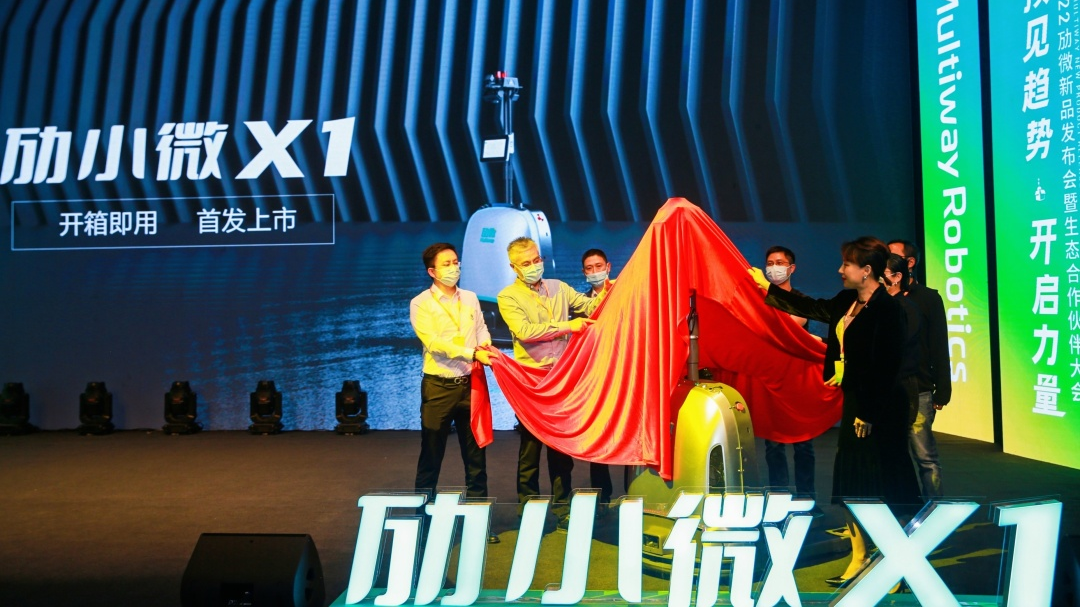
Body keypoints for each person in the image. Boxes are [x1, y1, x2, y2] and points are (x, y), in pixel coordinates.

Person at [749, 236, 921, 586]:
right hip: (856, 401)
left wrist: (868, 413)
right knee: (851, 483)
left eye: (847, 264)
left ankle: (897, 560)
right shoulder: (847, 300)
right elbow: (814, 308)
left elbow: (887, 367)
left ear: (866, 270)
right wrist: (767, 287)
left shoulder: (888, 310)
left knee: (881, 484)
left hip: (881, 409)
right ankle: (859, 557)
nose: (840, 270)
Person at [498, 237, 603, 530]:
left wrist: (609, 289)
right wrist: (567, 326)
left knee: (561, 449)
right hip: (531, 380)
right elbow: (525, 331)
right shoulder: (508, 297)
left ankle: (563, 506)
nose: (534, 266)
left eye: (537, 260)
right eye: (526, 263)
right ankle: (528, 508)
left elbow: (590, 307)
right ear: (514, 267)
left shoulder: (559, 287)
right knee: (530, 449)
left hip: (561, 377)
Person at [409, 242, 500, 544]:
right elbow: (434, 344)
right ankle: (421, 523)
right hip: (439, 387)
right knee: (431, 456)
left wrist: (485, 344)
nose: (454, 268)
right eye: (446, 264)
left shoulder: (470, 297)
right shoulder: (421, 303)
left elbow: (482, 328)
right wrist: (472, 353)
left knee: (476, 458)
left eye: (456, 262)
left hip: (470, 385)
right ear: (432, 271)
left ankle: (479, 524)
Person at [888, 239, 950, 499]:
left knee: (925, 456)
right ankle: (903, 508)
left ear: (909, 263)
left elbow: (939, 344)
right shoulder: (879, 298)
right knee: (893, 455)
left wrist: (943, 390)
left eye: (891, 256)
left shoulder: (928, 298)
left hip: (920, 387)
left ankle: (934, 508)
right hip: (888, 389)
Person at [760, 246, 821, 513]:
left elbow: (788, 328)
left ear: (791, 268)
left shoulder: (801, 300)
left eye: (780, 262)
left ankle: (807, 499)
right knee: (773, 445)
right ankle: (778, 499)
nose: (774, 267)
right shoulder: (759, 300)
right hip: (771, 380)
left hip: (798, 381)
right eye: (770, 263)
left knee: (803, 444)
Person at [580, 248, 617, 507]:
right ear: (584, 272)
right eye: (589, 268)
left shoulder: (624, 294)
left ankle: (635, 491)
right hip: (594, 376)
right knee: (598, 434)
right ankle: (602, 496)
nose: (595, 272)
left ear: (608, 267)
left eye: (599, 266)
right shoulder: (580, 304)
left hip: (624, 373)